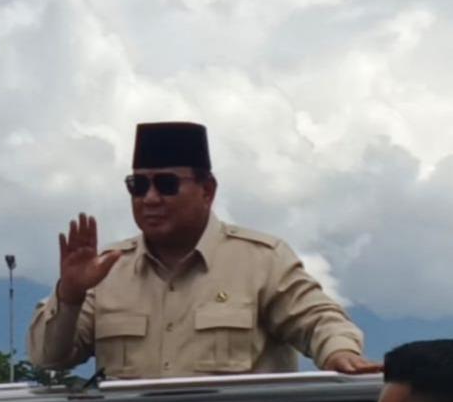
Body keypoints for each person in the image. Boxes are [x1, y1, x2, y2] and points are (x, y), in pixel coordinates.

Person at [27, 121, 375, 378]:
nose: (150, 198)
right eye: (138, 185)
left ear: (207, 190)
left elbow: (318, 320)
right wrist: (70, 294)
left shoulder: (261, 261)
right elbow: (48, 359)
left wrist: (339, 353)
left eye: (167, 185)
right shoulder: (107, 271)